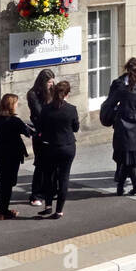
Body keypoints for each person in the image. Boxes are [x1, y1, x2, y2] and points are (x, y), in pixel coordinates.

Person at [101, 57, 136, 196]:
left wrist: (116, 113)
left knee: (128, 161)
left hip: (123, 130)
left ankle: (132, 188)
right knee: (129, 161)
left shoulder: (121, 90)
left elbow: (109, 104)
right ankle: (130, 188)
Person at [36, 80, 79, 219]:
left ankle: (48, 206)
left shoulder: (46, 109)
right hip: (67, 147)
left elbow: (40, 128)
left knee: (49, 177)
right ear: (67, 94)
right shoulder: (71, 109)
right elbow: (75, 128)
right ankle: (59, 210)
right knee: (63, 178)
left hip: (50, 147)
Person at [0, 94, 33, 220]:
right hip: (12, 155)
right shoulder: (15, 121)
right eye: (16, 103)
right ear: (11, 106)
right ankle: (4, 211)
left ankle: (2, 210)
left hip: (0, 152)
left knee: (2, 181)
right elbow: (28, 132)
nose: (17, 105)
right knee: (9, 183)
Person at [25, 69, 54, 208]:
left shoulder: (52, 91)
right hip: (40, 132)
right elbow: (39, 112)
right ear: (43, 82)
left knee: (53, 164)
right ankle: (36, 194)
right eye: (49, 82)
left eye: (52, 82)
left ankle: (50, 190)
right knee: (41, 164)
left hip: (52, 132)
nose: (51, 84)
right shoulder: (33, 94)